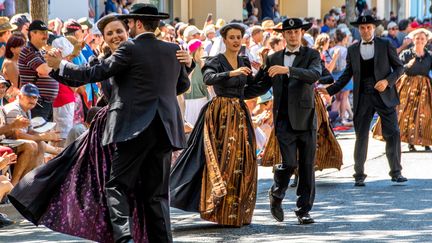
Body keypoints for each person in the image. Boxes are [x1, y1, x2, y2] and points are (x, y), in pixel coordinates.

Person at [43, 4, 191, 243]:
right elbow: (181, 86)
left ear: (138, 24)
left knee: (117, 186)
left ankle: (124, 239)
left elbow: (90, 75)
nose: (126, 30)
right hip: (164, 128)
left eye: (128, 25)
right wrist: (185, 65)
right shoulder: (173, 49)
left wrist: (58, 65)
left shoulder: (130, 48)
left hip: (134, 128)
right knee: (157, 195)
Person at [170, 23, 259, 227]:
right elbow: (209, 78)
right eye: (232, 37)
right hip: (220, 116)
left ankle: (237, 212)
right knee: (221, 161)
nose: (236, 41)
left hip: (240, 113)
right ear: (225, 40)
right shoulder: (216, 60)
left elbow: (251, 88)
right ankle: (218, 209)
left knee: (242, 161)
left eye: (239, 37)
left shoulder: (245, 60)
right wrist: (232, 73)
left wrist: (268, 78)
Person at [245, 18, 321, 224]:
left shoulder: (312, 55)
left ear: (301, 33)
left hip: (306, 119)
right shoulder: (273, 58)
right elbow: (259, 86)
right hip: (283, 120)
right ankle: (277, 193)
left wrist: (288, 70)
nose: (293, 35)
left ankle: (303, 210)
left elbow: (314, 75)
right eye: (289, 32)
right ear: (283, 35)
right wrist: (234, 91)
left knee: (306, 167)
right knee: (288, 163)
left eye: (296, 32)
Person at [319, 15, 407, 187]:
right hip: (363, 96)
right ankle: (359, 173)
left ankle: (396, 172)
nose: (365, 31)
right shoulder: (353, 50)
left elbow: (399, 68)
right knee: (361, 136)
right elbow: (346, 75)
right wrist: (330, 90)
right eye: (362, 28)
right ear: (358, 30)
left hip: (384, 95)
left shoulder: (385, 44)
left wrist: (387, 81)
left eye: (368, 27)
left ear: (374, 28)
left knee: (393, 133)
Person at [373, 28, 432, 152]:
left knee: (425, 114)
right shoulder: (406, 54)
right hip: (408, 85)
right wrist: (407, 65)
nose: (420, 41)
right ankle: (410, 142)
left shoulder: (429, 56)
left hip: (425, 87)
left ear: (426, 41)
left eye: (422, 39)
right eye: (417, 38)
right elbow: (397, 68)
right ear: (413, 40)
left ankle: (426, 141)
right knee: (405, 114)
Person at [18, 20, 59, 122]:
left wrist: (53, 65)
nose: (46, 36)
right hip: (36, 103)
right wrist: (55, 63)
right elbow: (45, 70)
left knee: (46, 135)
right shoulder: (27, 50)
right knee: (37, 134)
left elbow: (52, 70)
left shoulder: (42, 51)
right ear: (32, 33)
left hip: (46, 103)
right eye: (42, 33)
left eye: (46, 33)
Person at [2, 34, 26, 102]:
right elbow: (16, 87)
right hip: (10, 100)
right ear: (12, 49)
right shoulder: (10, 63)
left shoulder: (17, 62)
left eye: (25, 45)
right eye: (21, 46)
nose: (24, 48)